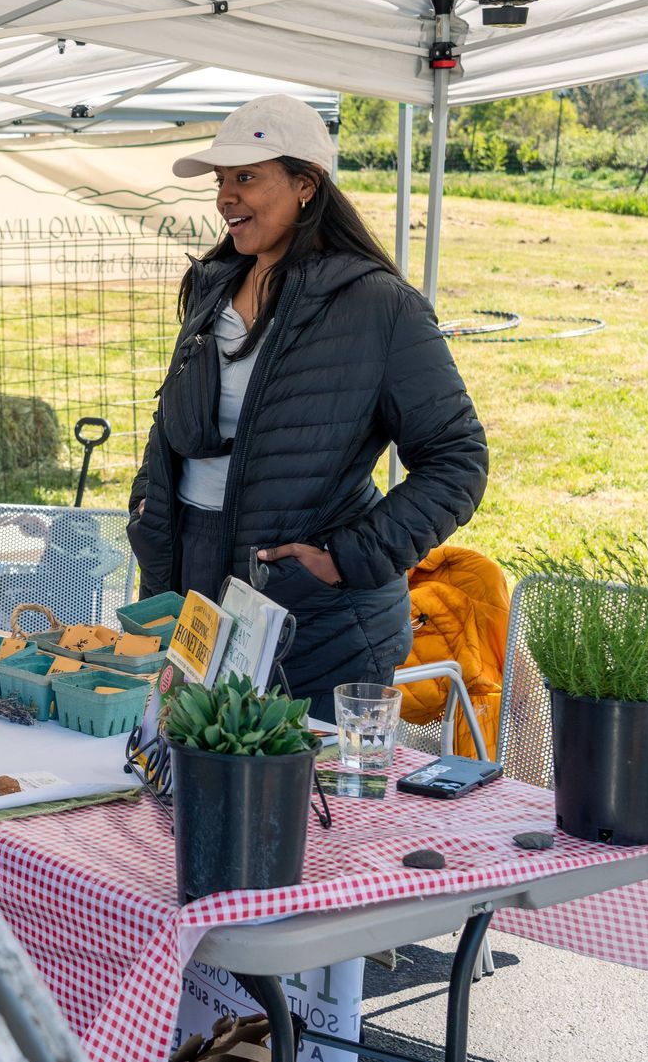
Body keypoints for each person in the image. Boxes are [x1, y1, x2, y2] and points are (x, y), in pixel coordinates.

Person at [128, 94, 488, 712]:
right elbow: (179, 435)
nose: (225, 198)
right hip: (193, 591)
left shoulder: (379, 306)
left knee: (309, 802)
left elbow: (457, 459)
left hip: (315, 617)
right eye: (221, 181)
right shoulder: (211, 287)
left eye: (246, 177)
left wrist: (348, 558)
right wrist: (152, 520)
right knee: (183, 785)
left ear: (305, 185)